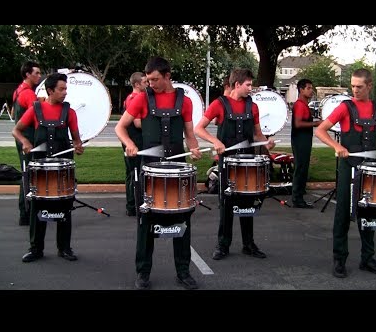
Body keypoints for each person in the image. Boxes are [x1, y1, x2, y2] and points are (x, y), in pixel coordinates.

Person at [115, 56, 202, 290]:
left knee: (182, 219)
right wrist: (130, 144)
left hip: (176, 168)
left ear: (167, 75)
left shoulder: (184, 101)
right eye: (147, 80)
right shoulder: (142, 99)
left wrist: (193, 148)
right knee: (146, 222)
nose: (150, 83)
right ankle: (143, 273)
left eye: (154, 79)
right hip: (149, 167)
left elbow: (189, 133)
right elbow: (120, 127)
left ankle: (183, 272)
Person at [315, 68, 376, 278]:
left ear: (369, 86)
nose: (355, 90)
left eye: (359, 87)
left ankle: (368, 259)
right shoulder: (345, 107)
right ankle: (339, 259)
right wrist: (336, 147)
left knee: (370, 212)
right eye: (353, 86)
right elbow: (320, 130)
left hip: (370, 167)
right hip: (349, 166)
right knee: (343, 213)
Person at [195, 68, 276, 261]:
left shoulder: (253, 106)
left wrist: (266, 143)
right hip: (228, 162)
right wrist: (215, 142)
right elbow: (199, 128)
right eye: (248, 85)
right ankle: (223, 245)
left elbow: (257, 133)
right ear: (237, 84)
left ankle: (249, 244)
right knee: (227, 204)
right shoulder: (219, 104)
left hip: (248, 161)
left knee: (248, 202)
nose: (251, 88)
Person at [12, 73, 85, 263]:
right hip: (40, 169)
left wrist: (78, 146)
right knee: (38, 208)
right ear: (50, 90)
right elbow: (16, 130)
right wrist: (25, 142)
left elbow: (77, 140)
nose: (65, 92)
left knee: (64, 207)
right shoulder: (36, 109)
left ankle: (64, 248)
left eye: (66, 89)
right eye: (61, 89)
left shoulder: (69, 112)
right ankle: (36, 248)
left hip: (62, 170)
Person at [11, 61, 43, 226]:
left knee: (26, 174)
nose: (39, 76)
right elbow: (38, 117)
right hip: (28, 139)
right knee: (30, 176)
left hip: (22, 138)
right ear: (27, 74)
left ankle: (25, 213)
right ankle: (27, 213)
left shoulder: (18, 91)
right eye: (36, 73)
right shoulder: (29, 94)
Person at [291, 79, 321, 208]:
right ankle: (297, 198)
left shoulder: (304, 104)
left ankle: (300, 194)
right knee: (300, 168)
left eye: (311, 88)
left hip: (304, 139)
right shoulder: (299, 105)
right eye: (308, 88)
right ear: (301, 89)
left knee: (303, 167)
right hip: (300, 140)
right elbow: (298, 124)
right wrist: (316, 123)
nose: (311, 90)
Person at [122, 72, 148, 216]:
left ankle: (131, 204)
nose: (148, 84)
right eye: (145, 82)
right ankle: (134, 205)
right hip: (134, 140)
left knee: (131, 172)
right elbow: (138, 123)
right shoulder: (136, 98)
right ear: (137, 84)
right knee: (136, 172)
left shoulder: (129, 97)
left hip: (130, 139)